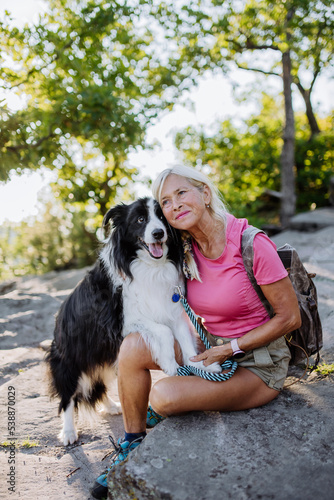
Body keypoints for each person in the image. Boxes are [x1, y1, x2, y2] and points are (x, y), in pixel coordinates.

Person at [91, 165, 301, 499]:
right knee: (131, 348)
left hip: (258, 364)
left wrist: (229, 347)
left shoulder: (252, 243)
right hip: (211, 349)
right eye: (166, 201)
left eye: (181, 193)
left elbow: (290, 319)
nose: (174, 205)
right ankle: (132, 443)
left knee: (163, 396)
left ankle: (153, 409)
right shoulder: (185, 247)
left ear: (204, 193)